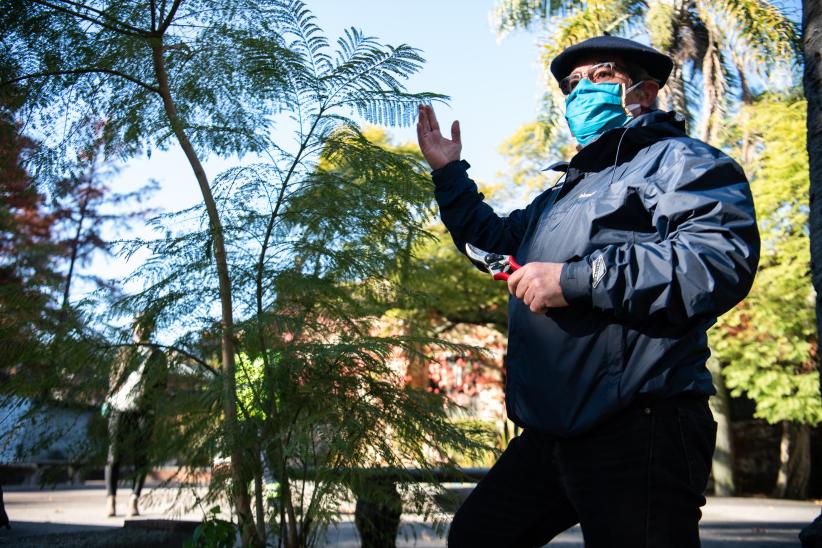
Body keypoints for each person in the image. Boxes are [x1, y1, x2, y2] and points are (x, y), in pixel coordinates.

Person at [416, 35, 760, 547]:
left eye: (599, 76)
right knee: (477, 536)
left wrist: (576, 279)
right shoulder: (561, 195)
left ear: (642, 92)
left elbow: (715, 260)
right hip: (554, 428)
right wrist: (449, 175)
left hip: (639, 423)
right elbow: (492, 245)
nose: (580, 90)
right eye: (571, 84)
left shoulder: (680, 160)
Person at [103, 316, 167, 518]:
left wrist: (149, 402)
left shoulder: (158, 355)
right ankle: (110, 500)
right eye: (138, 325)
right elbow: (114, 377)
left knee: (141, 456)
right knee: (114, 455)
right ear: (134, 328)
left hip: (143, 410)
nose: (141, 328)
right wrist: (109, 398)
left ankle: (133, 500)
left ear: (150, 328)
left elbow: (161, 383)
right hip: (119, 408)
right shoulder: (124, 351)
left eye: (145, 325)